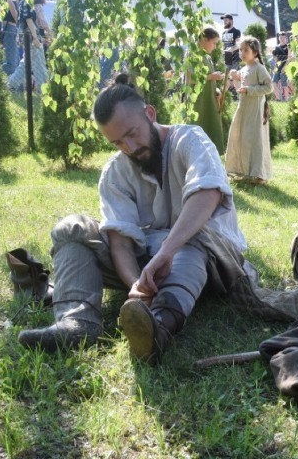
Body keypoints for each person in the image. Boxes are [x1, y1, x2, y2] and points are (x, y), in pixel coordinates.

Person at [17, 74, 249, 364]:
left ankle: (160, 325)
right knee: (71, 228)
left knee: (191, 234)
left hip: (212, 261)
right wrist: (137, 286)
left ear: (149, 114)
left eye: (132, 133)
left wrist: (166, 253)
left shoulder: (191, 139)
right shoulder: (115, 172)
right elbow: (121, 241)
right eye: (117, 142)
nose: (129, 147)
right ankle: (77, 324)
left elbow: (207, 195)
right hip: (151, 265)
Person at [225, 36, 273, 185]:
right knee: (240, 137)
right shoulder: (245, 68)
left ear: (255, 52)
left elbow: (268, 87)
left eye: (246, 50)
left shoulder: (259, 68)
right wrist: (235, 76)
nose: (242, 53)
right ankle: (242, 169)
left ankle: (260, 174)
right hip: (243, 108)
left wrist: (250, 90)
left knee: (255, 140)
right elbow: (242, 82)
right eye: (240, 50)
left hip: (255, 111)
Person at [7, 0, 49, 92]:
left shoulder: (22, 3)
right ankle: (43, 90)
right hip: (31, 38)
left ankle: (11, 83)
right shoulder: (26, 2)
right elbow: (29, 20)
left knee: (25, 63)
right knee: (39, 64)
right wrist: (35, 38)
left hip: (26, 38)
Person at [191, 26, 226, 153]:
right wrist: (212, 76)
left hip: (210, 101)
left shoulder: (207, 57)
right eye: (214, 43)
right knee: (199, 129)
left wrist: (216, 90)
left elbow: (207, 80)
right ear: (205, 39)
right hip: (199, 103)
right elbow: (191, 79)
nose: (215, 47)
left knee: (211, 131)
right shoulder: (193, 55)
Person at [1, 0, 20, 75]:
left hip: (13, 30)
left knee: (16, 60)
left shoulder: (14, 2)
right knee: (12, 62)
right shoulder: (9, 2)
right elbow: (16, 18)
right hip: (10, 30)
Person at [272, 32, 290, 101]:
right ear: (279, 38)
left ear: (286, 39)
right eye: (281, 37)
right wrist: (276, 66)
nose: (282, 39)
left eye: (284, 38)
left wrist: (284, 67)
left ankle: (286, 99)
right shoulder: (276, 47)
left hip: (285, 68)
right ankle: (278, 98)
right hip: (277, 67)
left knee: (284, 84)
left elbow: (289, 58)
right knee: (274, 81)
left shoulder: (288, 46)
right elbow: (275, 58)